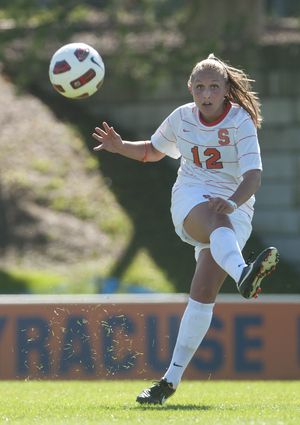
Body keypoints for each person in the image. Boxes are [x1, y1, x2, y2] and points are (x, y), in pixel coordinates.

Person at [92, 54, 279, 406]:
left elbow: (253, 176)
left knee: (203, 291)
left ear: (226, 91)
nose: (205, 93)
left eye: (213, 87)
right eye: (199, 87)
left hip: (235, 203)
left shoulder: (241, 121)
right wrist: (120, 147)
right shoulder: (181, 118)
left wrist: (234, 202)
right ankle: (243, 274)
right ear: (190, 88)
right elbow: (153, 151)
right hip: (191, 196)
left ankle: (168, 382)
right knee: (216, 219)